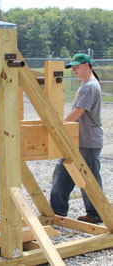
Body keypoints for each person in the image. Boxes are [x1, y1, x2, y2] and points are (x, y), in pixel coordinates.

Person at [50, 53, 104, 224]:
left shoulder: (90, 86)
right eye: (72, 67)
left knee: (89, 178)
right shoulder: (86, 85)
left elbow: (79, 111)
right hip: (77, 139)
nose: (73, 70)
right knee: (62, 171)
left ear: (87, 65)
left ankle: (96, 213)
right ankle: (57, 210)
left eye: (76, 66)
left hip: (87, 140)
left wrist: (59, 126)